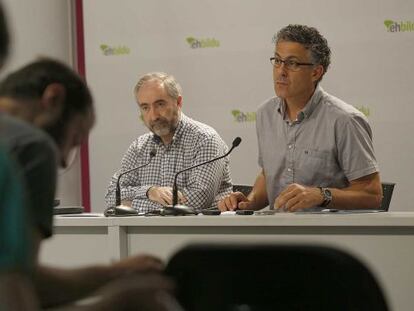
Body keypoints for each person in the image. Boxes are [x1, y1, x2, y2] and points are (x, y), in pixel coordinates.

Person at [0, 59, 176, 310]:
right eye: (74, 139)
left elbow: (18, 275)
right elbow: (17, 292)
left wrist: (113, 273)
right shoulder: (31, 147)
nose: (61, 162)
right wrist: (115, 304)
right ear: (53, 98)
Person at [219, 24, 382, 212]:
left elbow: (372, 195)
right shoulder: (266, 114)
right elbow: (268, 175)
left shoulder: (345, 120)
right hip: (278, 233)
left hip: (329, 235)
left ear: (316, 72)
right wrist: (249, 201)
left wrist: (322, 195)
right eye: (277, 61)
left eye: (292, 63)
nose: (281, 71)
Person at [105, 72, 232, 213]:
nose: (153, 116)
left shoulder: (205, 139)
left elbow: (198, 201)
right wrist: (149, 192)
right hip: (145, 233)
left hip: (198, 233)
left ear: (178, 102)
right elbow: (112, 196)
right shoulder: (139, 147)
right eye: (145, 107)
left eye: (160, 104)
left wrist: (131, 207)